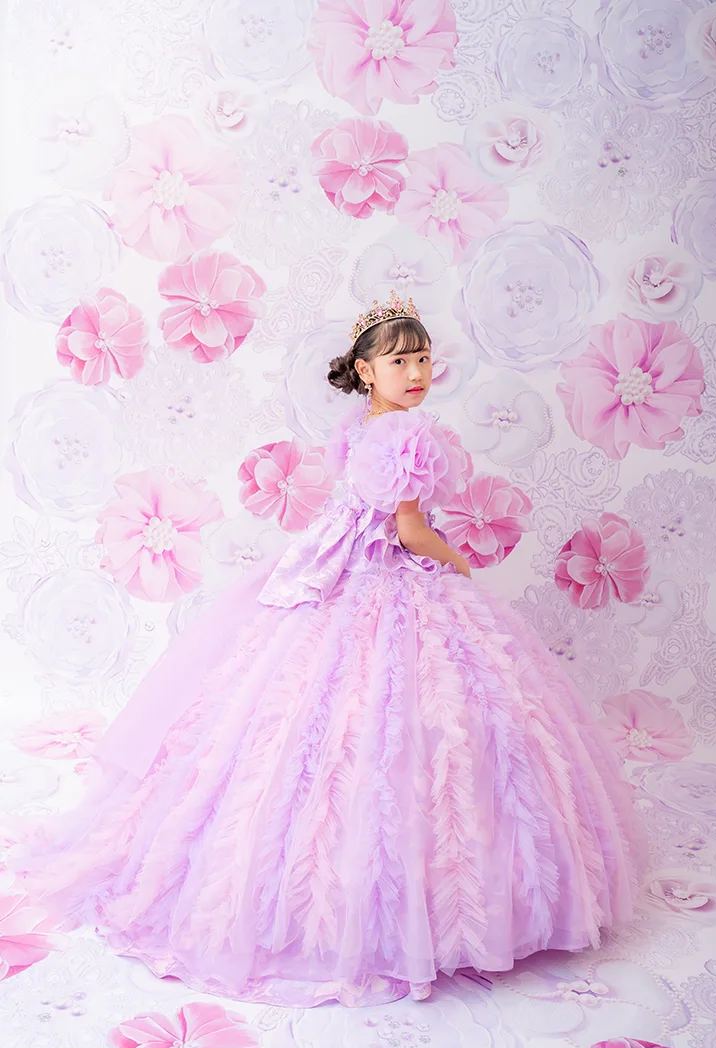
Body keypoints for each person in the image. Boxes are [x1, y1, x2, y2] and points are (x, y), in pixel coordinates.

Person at [8, 290, 648, 1008]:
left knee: (317, 719)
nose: (416, 372)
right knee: (392, 717)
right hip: (380, 574)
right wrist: (457, 563)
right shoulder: (407, 437)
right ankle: (398, 904)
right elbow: (410, 530)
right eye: (400, 361)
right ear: (366, 371)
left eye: (423, 359)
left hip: (336, 571)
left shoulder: (362, 428)